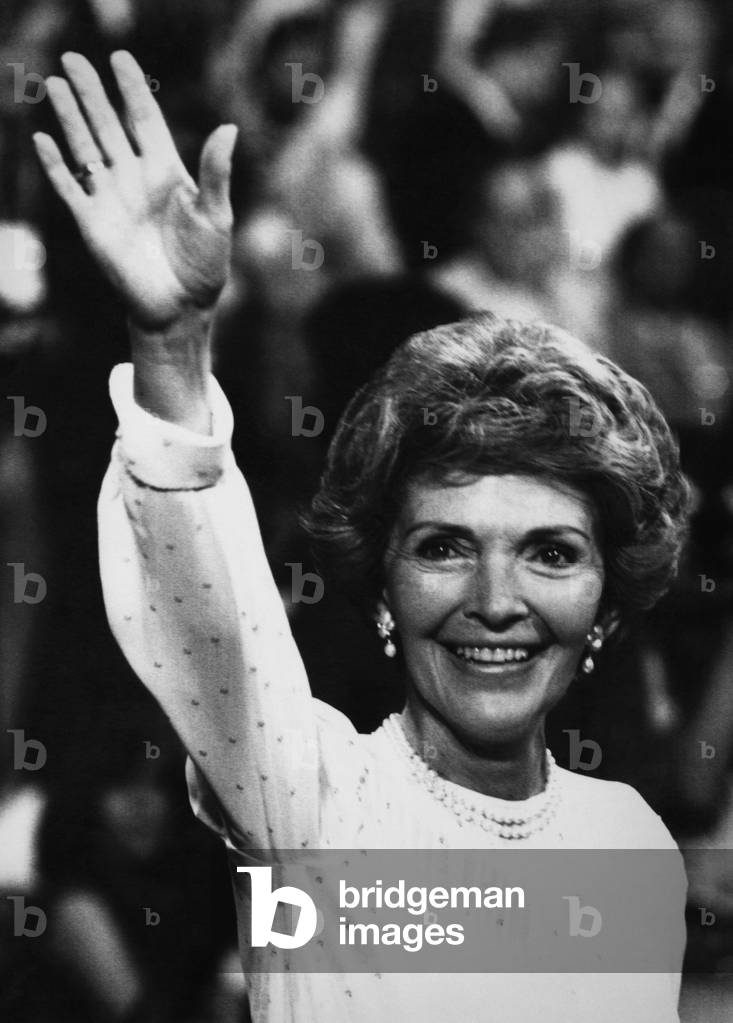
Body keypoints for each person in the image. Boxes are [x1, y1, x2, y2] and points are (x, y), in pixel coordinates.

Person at [34, 51, 689, 1022]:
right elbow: (212, 629)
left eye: (550, 551)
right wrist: (170, 347)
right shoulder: (311, 795)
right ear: (382, 586)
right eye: (443, 547)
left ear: (603, 599)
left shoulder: (629, 844)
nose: (496, 599)